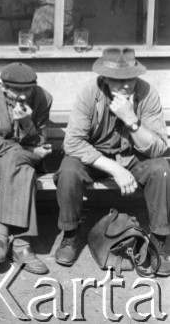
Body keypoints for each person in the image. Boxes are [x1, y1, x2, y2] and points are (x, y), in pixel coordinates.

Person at [54, 47, 170, 276]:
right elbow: (73, 143)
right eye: (117, 80)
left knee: (162, 169)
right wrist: (115, 169)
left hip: (134, 157)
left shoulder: (147, 94)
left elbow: (158, 147)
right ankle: (70, 235)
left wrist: (132, 120)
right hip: (96, 159)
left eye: (130, 79)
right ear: (105, 78)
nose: (125, 85)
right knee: (68, 170)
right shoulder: (90, 93)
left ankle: (160, 242)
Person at [0, 62, 52, 274]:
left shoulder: (44, 98)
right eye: (17, 90)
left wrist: (27, 123)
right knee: (19, 165)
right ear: (3, 87)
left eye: (28, 89)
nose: (23, 95)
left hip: (29, 157)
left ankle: (0, 236)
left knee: (17, 162)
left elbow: (41, 140)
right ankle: (22, 244)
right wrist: (24, 148)